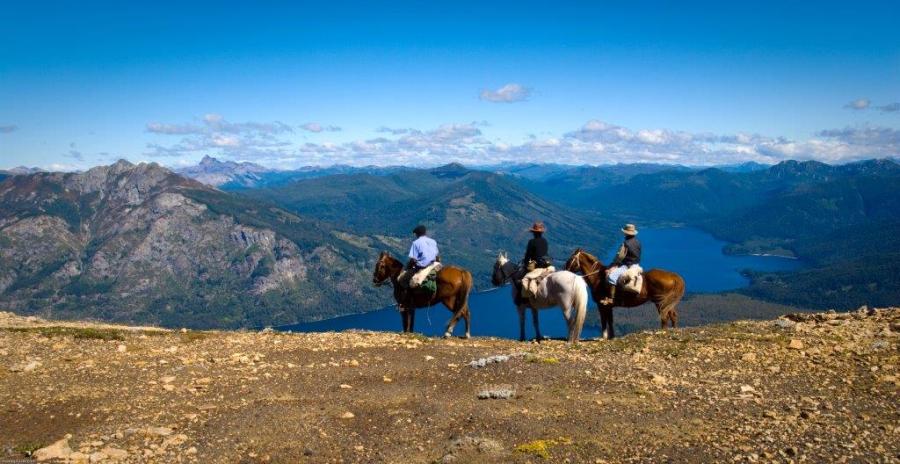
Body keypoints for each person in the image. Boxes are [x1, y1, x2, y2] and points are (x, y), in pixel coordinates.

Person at [397, 225, 440, 310]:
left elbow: (413, 259)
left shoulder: (416, 243)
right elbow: (437, 256)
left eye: (416, 234)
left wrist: (407, 268)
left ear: (417, 234)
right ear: (425, 232)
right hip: (434, 265)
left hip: (422, 267)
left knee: (403, 280)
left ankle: (406, 303)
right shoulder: (433, 241)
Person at [601, 223, 641, 305]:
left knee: (612, 277)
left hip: (627, 266)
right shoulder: (638, 242)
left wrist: (613, 265)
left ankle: (611, 299)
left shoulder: (625, 243)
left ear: (626, 233)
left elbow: (619, 257)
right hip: (636, 265)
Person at [520, 221, 555, 298]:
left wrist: (526, 264)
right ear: (541, 233)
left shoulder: (531, 242)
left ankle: (527, 297)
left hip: (537, 265)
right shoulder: (545, 241)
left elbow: (528, 256)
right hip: (547, 264)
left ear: (534, 233)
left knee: (525, 278)